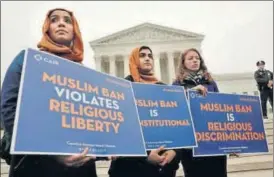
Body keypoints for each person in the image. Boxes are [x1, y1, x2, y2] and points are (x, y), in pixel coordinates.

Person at [1, 8, 99, 177]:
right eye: (54, 20)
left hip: (81, 167)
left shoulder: (85, 73)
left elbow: (95, 118)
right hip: (35, 164)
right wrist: (51, 151)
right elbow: (9, 108)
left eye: (67, 21)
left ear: (74, 30)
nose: (61, 23)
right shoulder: (26, 59)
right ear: (47, 28)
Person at [108, 46, 180, 177]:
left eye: (150, 56)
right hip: (129, 169)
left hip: (162, 169)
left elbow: (177, 126)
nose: (147, 58)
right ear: (134, 59)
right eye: (142, 55)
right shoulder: (121, 87)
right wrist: (145, 156)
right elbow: (118, 127)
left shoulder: (164, 89)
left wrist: (174, 152)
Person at [172, 48, 227, 177]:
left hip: (213, 139)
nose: (195, 60)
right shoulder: (177, 84)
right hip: (192, 142)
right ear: (183, 62)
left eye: (197, 58)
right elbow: (174, 107)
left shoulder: (210, 82)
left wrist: (228, 141)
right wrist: (190, 93)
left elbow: (220, 109)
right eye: (190, 58)